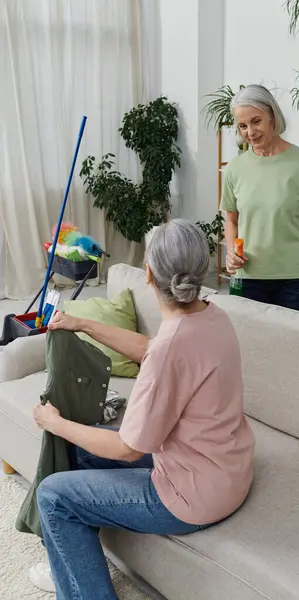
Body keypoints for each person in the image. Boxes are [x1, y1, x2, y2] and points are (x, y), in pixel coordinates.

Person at [30, 219, 255, 599]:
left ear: (148, 273)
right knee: (80, 451)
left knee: (54, 496)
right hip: (229, 472)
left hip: (190, 497)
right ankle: (70, 560)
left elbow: (128, 448)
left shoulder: (172, 348)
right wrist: (83, 323)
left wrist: (55, 421)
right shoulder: (212, 316)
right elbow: (152, 349)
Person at [222, 84, 299, 314]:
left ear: (272, 116)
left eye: (256, 121)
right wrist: (231, 251)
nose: (250, 132)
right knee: (247, 346)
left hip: (293, 281)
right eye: (243, 126)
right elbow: (231, 220)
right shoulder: (235, 169)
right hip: (247, 278)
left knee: (288, 347)